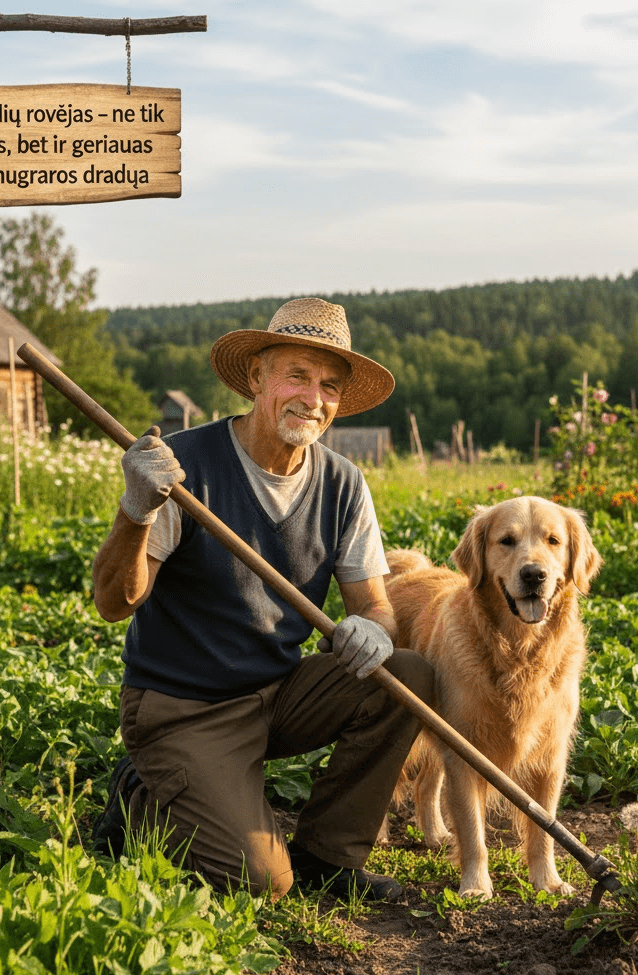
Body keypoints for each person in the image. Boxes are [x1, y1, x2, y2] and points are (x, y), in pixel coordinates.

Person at [90, 297, 435, 901]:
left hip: (275, 695)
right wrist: (135, 509)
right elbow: (115, 603)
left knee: (404, 675)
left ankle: (330, 855)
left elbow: (375, 606)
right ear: (255, 378)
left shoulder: (341, 483)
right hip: (184, 706)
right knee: (260, 883)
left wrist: (374, 630)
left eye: (329, 385)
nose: (313, 397)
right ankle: (143, 795)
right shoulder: (187, 469)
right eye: (296, 375)